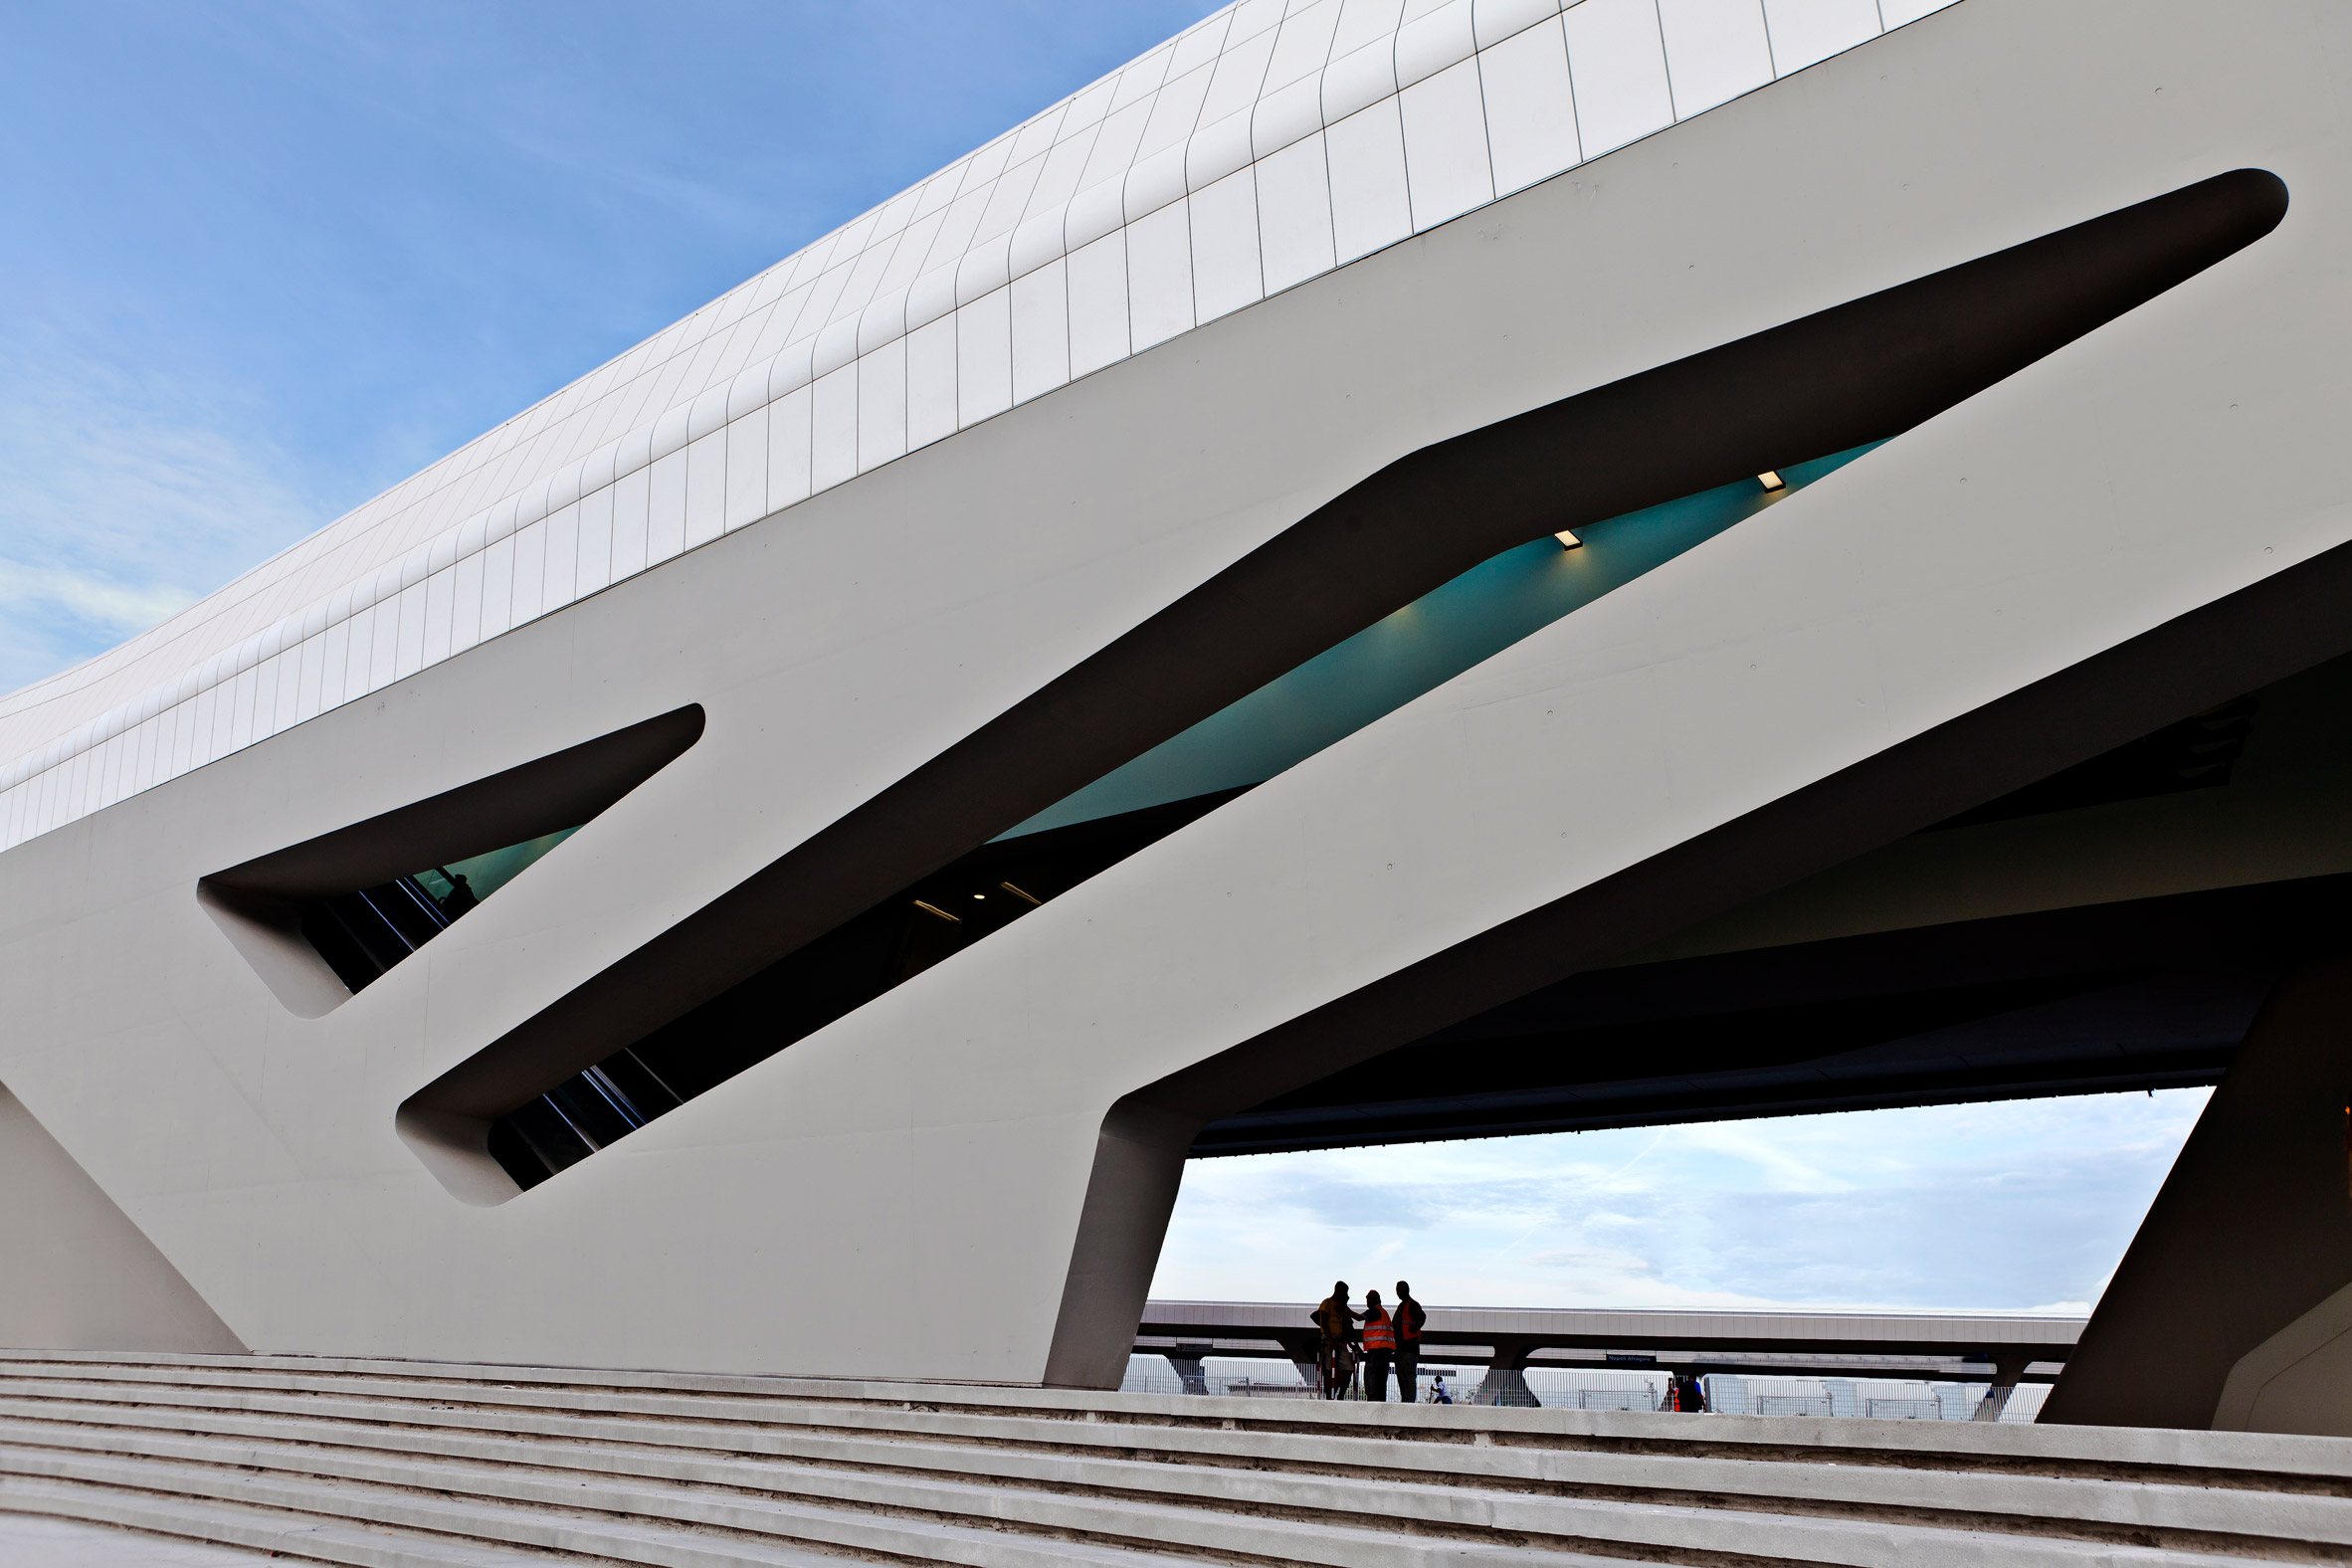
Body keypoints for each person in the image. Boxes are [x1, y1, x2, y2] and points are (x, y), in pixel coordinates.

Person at [1310, 1282, 1358, 1400]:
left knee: (1349, 1368)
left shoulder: (1342, 1307)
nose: (1346, 1295)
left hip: (1340, 1341)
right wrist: (1330, 1340)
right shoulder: (1327, 1303)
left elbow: (1348, 1327)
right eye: (1345, 1292)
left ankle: (1341, 1395)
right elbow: (1324, 1322)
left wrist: (1351, 1344)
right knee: (1328, 1369)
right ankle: (1328, 1397)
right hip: (1328, 1341)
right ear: (1338, 1291)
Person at [1359, 1288, 1397, 1402]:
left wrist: (1346, 1310)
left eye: (1368, 1299)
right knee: (1381, 1382)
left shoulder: (1375, 1311)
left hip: (1376, 1351)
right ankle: (1380, 1404)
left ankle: (1373, 1404)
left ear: (1374, 1300)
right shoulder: (1383, 1313)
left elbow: (1359, 1318)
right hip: (1384, 1352)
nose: (1367, 1302)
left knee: (1371, 1379)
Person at [1392, 1280, 1427, 1404]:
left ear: (1406, 1290)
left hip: (1409, 1348)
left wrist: (1415, 1327)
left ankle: (1409, 1402)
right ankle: (1405, 1401)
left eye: (1399, 1289)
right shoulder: (1402, 1306)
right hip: (1400, 1348)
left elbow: (1422, 1317)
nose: (1397, 1292)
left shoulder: (1412, 1305)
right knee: (1402, 1376)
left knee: (1408, 1376)